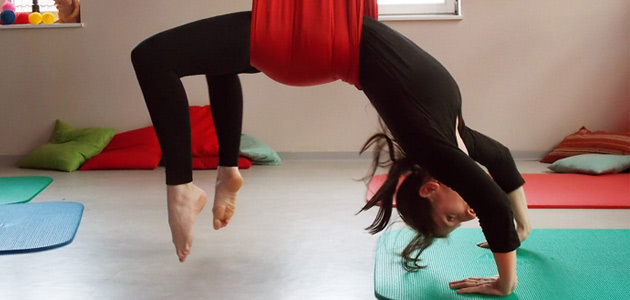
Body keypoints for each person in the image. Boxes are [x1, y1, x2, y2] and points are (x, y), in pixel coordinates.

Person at [131, 2, 531, 297]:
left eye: (452, 218)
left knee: (152, 57)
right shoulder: (454, 136)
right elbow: (501, 165)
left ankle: (182, 186)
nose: (467, 214)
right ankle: (226, 169)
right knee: (216, 61)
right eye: (458, 220)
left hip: (314, 42)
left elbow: (490, 202)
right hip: (322, 37)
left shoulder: (432, 146)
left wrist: (504, 282)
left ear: (429, 189)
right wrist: (522, 228)